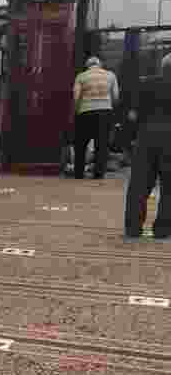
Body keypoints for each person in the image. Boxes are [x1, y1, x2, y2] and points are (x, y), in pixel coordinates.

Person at [125, 54, 171, 239]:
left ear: (162, 67)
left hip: (146, 136)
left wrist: (131, 138)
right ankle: (162, 230)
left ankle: (133, 228)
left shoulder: (146, 84)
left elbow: (132, 116)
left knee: (139, 185)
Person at [73, 56, 119, 180]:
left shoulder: (81, 76)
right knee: (101, 144)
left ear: (87, 66)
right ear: (100, 65)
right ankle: (98, 174)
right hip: (104, 112)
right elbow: (115, 96)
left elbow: (76, 97)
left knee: (81, 144)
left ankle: (78, 173)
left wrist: (76, 111)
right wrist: (110, 107)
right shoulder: (110, 75)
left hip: (85, 112)